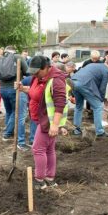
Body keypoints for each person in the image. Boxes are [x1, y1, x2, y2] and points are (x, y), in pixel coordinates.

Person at [18, 56, 68, 189]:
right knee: (49, 149)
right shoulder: (39, 77)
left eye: (36, 71)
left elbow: (60, 104)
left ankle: (39, 181)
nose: (34, 74)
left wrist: (55, 125)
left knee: (38, 149)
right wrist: (23, 88)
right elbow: (36, 93)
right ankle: (50, 178)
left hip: (48, 120)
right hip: (41, 119)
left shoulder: (56, 80)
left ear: (46, 68)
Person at [71, 61, 108, 138]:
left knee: (78, 106)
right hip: (85, 84)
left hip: (74, 81)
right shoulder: (106, 71)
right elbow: (103, 87)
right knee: (98, 107)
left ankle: (76, 129)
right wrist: (101, 100)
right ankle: (100, 132)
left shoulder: (92, 65)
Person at [0, 46, 28, 141]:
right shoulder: (18, 57)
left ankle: (8, 131)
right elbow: (27, 71)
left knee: (9, 111)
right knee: (16, 112)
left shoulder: (0, 58)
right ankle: (7, 133)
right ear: (14, 50)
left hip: (2, 88)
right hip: (13, 88)